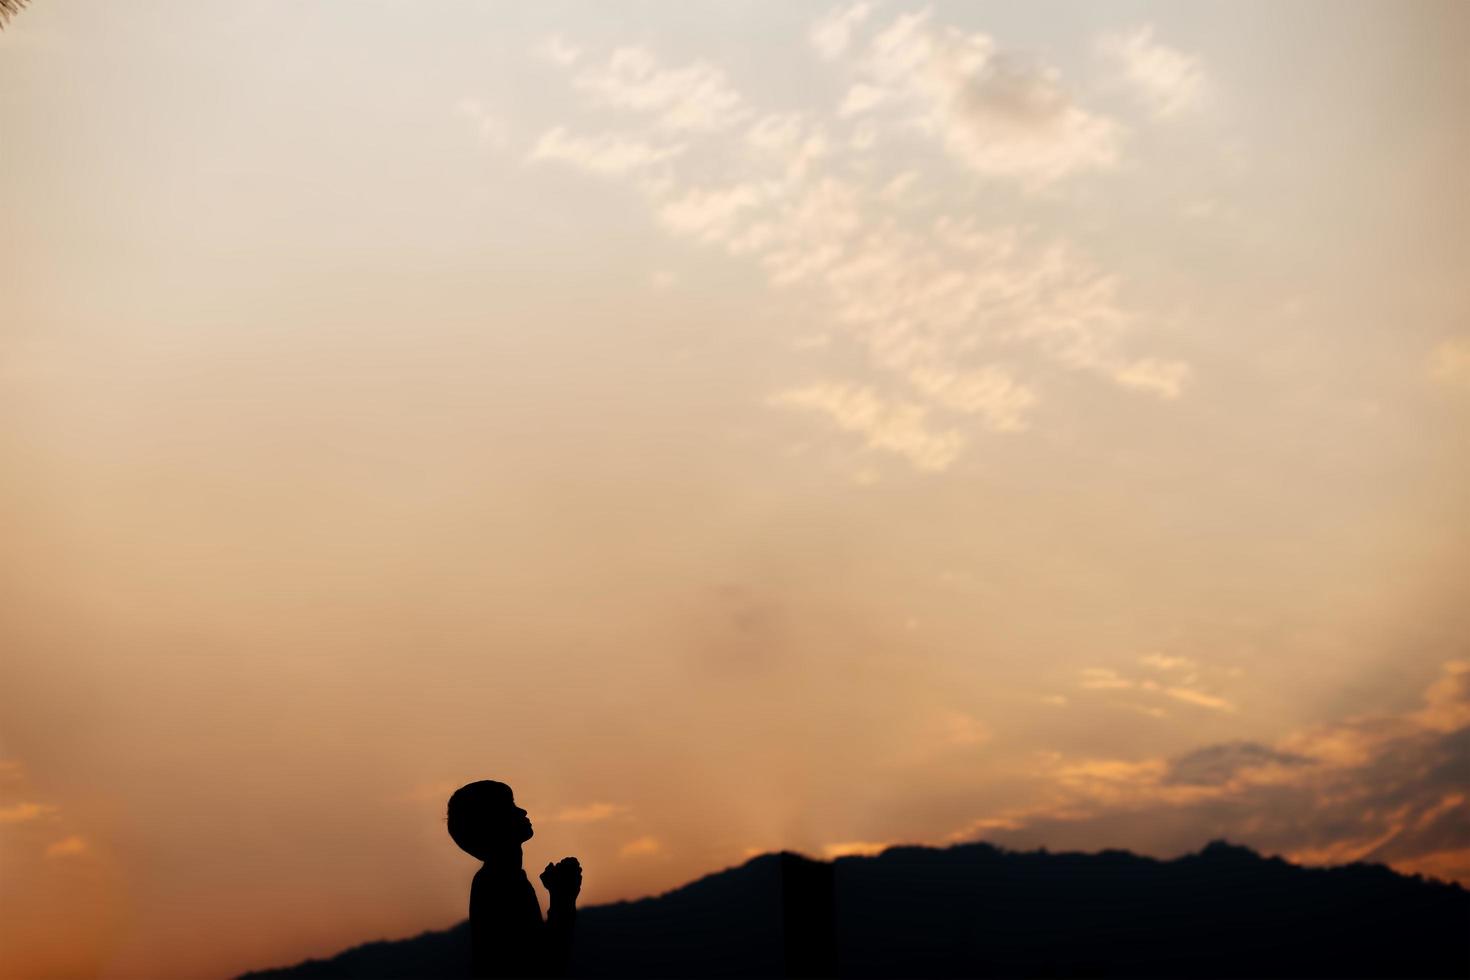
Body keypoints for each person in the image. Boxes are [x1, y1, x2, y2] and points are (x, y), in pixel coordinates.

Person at [447, 780, 581, 979]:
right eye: (510, 808)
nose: (522, 811)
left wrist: (561, 896)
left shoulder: (497, 879)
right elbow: (545, 964)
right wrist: (563, 899)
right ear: (493, 825)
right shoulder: (501, 885)